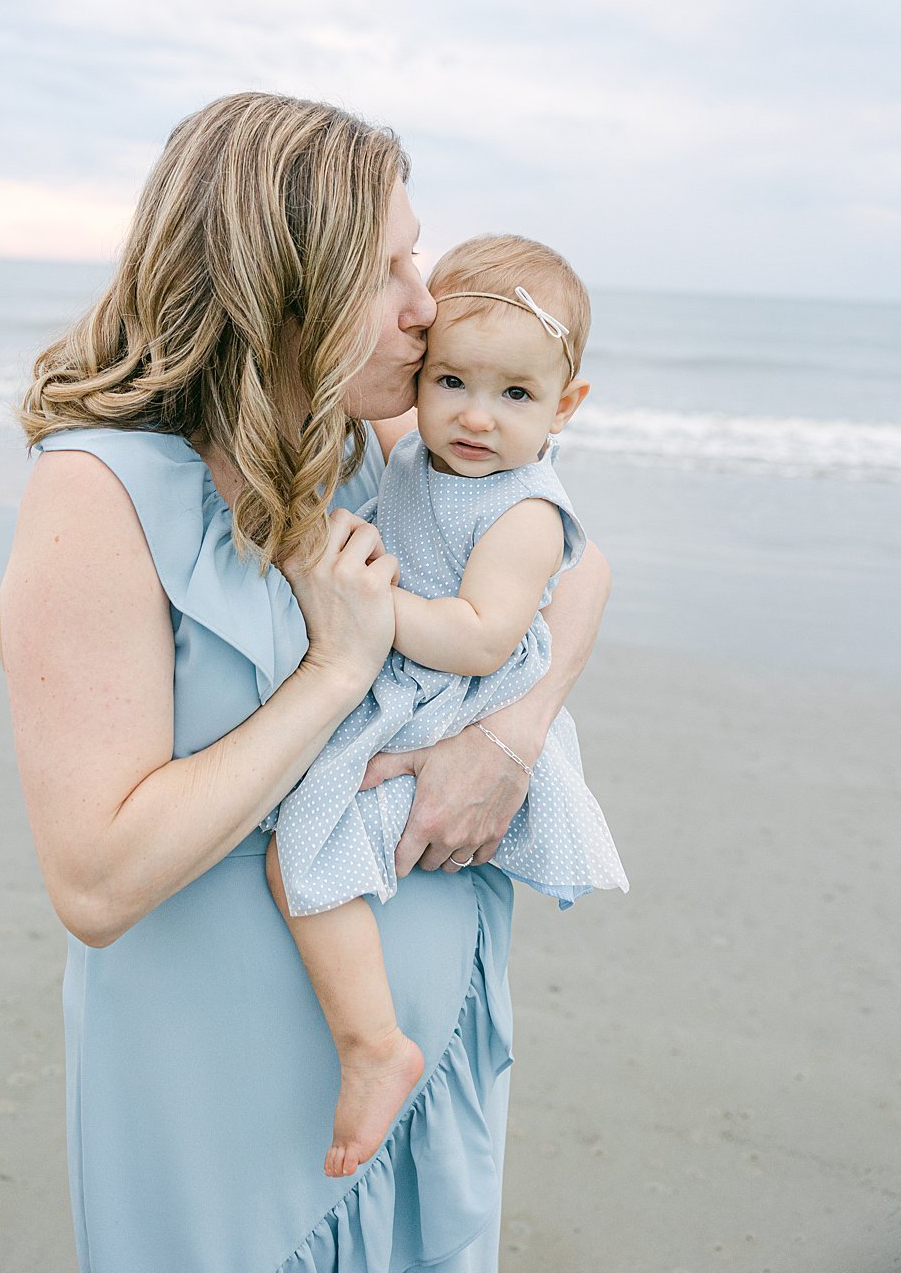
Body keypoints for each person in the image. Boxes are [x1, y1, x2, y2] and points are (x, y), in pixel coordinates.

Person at [0, 93, 611, 1271]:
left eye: (416, 255)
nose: (426, 307)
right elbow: (95, 879)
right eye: (389, 268)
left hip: (430, 1036)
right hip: (228, 1073)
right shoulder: (99, 491)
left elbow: (572, 567)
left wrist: (511, 740)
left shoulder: (351, 439)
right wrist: (334, 670)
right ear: (285, 289)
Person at [264, 233, 628, 1181]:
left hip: (447, 698)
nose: (474, 416)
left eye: (515, 396)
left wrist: (369, 604)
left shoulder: (524, 510)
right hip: (411, 686)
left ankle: (373, 1042)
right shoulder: (417, 454)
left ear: (565, 408)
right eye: (451, 382)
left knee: (301, 843)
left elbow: (480, 638)